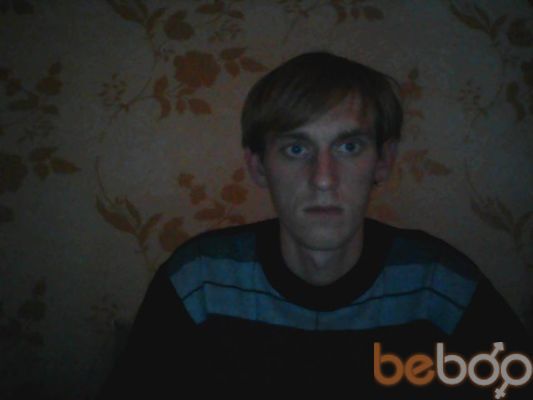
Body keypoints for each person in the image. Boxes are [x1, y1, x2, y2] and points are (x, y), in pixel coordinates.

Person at [99, 52, 532, 398]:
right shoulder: (197, 284)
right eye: (295, 149)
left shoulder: (442, 287)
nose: (323, 179)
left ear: (383, 161)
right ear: (258, 166)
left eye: (348, 147)